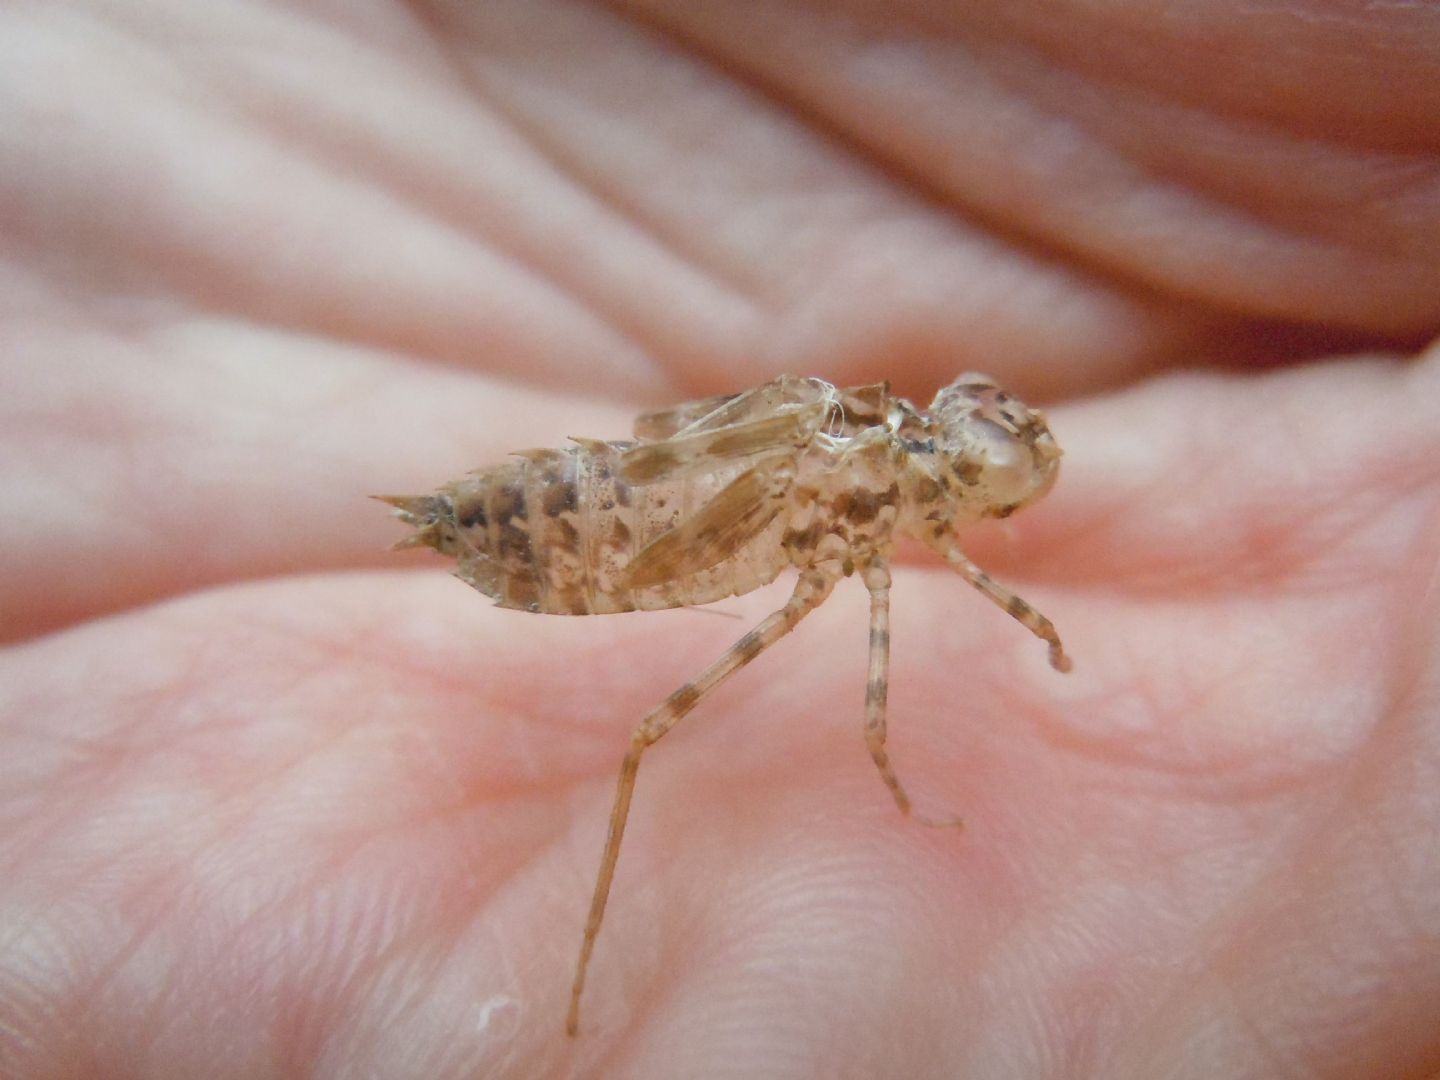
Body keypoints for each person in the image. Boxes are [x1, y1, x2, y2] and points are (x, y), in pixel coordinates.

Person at [1, 3, 1436, 1077]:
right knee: (647, 738)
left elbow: (847, 516)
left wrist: (1025, 617)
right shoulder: (875, 519)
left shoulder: (879, 472)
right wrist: (941, 701)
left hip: (643, 490)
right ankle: (569, 983)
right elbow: (900, 608)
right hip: (585, 530)